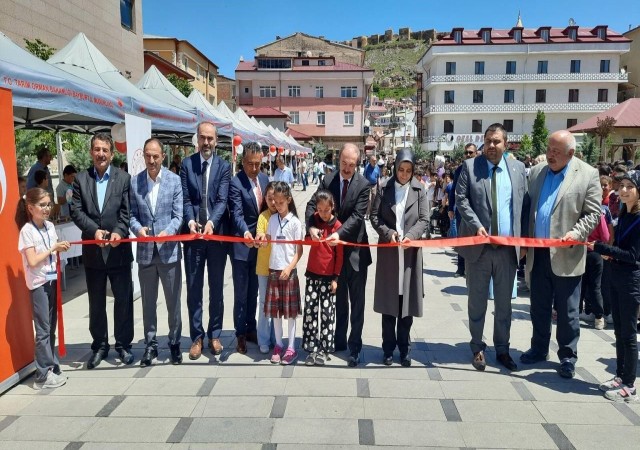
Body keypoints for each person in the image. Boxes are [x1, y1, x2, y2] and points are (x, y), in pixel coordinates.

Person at [520, 130, 602, 379]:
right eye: (548, 149)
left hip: (567, 254)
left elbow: (593, 213)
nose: (550, 155)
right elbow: (527, 208)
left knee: (567, 311)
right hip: (538, 253)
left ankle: (567, 356)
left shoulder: (588, 174)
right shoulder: (537, 172)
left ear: (571, 153)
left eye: (556, 151)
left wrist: (576, 233)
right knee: (539, 307)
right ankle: (538, 348)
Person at [455, 123, 528, 372]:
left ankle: (503, 349)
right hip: (480, 249)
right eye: (488, 141)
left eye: (496, 141)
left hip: (507, 249)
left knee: (504, 305)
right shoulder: (470, 167)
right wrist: (476, 225)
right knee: (477, 302)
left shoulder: (518, 169)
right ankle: (477, 347)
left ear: (505, 144)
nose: (492, 146)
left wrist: (523, 241)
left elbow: (523, 206)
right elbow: (461, 199)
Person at [70, 133, 134, 369]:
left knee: (123, 300)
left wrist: (119, 232)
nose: (101, 154)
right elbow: (76, 211)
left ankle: (123, 345)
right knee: (96, 303)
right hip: (93, 251)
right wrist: (94, 231)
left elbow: (127, 212)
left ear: (112, 154)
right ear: (91, 152)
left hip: (118, 250)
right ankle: (100, 346)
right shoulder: (80, 179)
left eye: (105, 150)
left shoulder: (123, 178)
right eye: (97, 149)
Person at [305, 143, 372, 367]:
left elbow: (357, 217)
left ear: (357, 164)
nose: (346, 168)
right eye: (343, 163)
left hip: (356, 252)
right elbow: (312, 204)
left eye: (351, 165)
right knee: (340, 301)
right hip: (334, 256)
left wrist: (338, 233)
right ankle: (339, 341)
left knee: (357, 304)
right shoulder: (328, 180)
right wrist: (311, 227)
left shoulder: (363, 185)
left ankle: (355, 347)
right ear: (338, 160)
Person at [371, 150, 428, 367]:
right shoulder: (384, 187)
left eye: (408, 171)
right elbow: (374, 216)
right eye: (401, 170)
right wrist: (388, 233)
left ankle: (404, 349)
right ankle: (387, 349)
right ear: (395, 168)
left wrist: (411, 235)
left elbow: (424, 219)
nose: (404, 174)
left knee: (406, 305)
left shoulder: (419, 189)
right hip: (389, 252)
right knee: (389, 304)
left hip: (410, 253)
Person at [129, 138, 184, 366]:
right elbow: (132, 215)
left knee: (173, 303)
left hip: (169, 252)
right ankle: (150, 345)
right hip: (145, 253)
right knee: (148, 304)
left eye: (155, 156)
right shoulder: (135, 182)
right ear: (143, 156)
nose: (151, 160)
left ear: (163, 156)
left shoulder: (174, 181)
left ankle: (174, 342)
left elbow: (178, 216)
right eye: (148, 156)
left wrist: (167, 232)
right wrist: (137, 229)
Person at [180, 122, 231, 360]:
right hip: (193, 237)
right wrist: (191, 221)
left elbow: (222, 200)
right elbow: (186, 198)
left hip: (216, 236)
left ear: (216, 140)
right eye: (203, 138)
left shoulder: (223, 166)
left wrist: (211, 222)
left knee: (216, 288)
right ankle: (197, 337)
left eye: (210, 138)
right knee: (194, 289)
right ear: (197, 139)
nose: (207, 142)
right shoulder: (187, 164)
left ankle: (215, 334)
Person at [589, 170, 640, 402]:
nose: (624, 190)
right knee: (618, 331)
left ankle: (630, 385)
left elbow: (632, 255)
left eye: (630, 186)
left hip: (631, 280)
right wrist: (608, 252)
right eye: (622, 186)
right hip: (617, 276)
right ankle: (620, 376)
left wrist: (601, 248)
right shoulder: (623, 213)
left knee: (628, 334)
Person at [17, 188, 71, 388]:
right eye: (42, 205)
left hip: (52, 280)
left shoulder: (49, 226)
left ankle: (51, 365)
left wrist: (60, 246)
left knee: (51, 327)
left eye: (49, 204)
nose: (47, 208)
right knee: (42, 330)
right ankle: (42, 375)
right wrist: (52, 248)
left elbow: (53, 250)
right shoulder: (27, 231)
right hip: (39, 284)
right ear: (30, 208)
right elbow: (32, 261)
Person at [228, 142, 269, 354]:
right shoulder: (236, 183)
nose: (254, 168)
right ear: (243, 162)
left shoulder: (264, 179)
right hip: (242, 246)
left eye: (258, 164)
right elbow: (236, 213)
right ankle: (240, 334)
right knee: (241, 294)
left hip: (260, 247)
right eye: (251, 164)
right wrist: (246, 233)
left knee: (254, 291)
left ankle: (251, 328)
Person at [303, 189, 343, 366]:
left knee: (327, 314)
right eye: (320, 209)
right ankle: (311, 347)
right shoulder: (314, 221)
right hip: (312, 275)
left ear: (332, 207)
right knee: (310, 312)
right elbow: (306, 238)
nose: (323, 213)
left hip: (328, 278)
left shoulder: (337, 226)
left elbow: (339, 256)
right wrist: (311, 234)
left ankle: (325, 349)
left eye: (327, 210)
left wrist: (336, 278)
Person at [265, 182, 303, 365]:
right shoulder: (272, 220)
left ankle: (291, 347)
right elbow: (267, 240)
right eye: (275, 202)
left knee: (290, 313)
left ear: (288, 200)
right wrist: (259, 240)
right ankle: (278, 345)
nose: (277, 205)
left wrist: (289, 268)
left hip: (289, 272)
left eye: (281, 202)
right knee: (276, 313)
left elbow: (299, 251)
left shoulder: (295, 222)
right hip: (273, 269)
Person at [255, 182, 277, 354]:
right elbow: (259, 234)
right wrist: (260, 238)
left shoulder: (286, 216)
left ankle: (277, 338)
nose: (273, 202)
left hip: (280, 267)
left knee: (277, 303)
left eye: (276, 199)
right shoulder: (263, 216)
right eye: (270, 199)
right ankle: (263, 338)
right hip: (263, 267)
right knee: (263, 302)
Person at [449, 143, 477, 277]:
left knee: (475, 239)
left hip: (476, 210)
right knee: (461, 238)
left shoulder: (480, 169)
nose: (468, 155)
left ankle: (473, 268)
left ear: (476, 153)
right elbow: (454, 189)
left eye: (471, 152)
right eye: (466, 152)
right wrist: (451, 207)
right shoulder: (459, 169)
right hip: (461, 210)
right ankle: (461, 268)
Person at [363, 155, 380, 219]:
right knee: (369, 200)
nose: (375, 162)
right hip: (368, 185)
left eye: (375, 161)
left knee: (374, 199)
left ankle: (371, 213)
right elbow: (364, 177)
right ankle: (367, 213)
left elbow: (378, 177)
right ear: (370, 161)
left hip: (375, 185)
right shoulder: (367, 167)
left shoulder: (377, 167)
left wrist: (379, 185)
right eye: (373, 161)